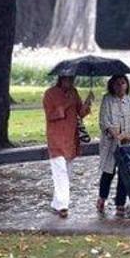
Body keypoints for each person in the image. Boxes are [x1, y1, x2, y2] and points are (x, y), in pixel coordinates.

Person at [43, 75, 94, 218]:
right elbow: (51, 115)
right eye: (68, 79)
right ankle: (63, 205)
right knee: (60, 172)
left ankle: (56, 203)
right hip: (56, 138)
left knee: (68, 172)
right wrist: (66, 104)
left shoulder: (74, 92)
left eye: (72, 79)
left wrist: (87, 103)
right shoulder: (50, 94)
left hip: (71, 137)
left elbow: (80, 113)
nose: (71, 82)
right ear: (61, 79)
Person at [97, 74, 130, 217]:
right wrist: (116, 135)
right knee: (108, 172)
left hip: (128, 143)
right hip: (111, 144)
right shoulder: (107, 100)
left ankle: (120, 203)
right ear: (112, 85)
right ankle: (102, 197)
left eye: (123, 83)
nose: (120, 86)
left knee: (124, 174)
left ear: (127, 85)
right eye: (117, 84)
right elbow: (104, 121)